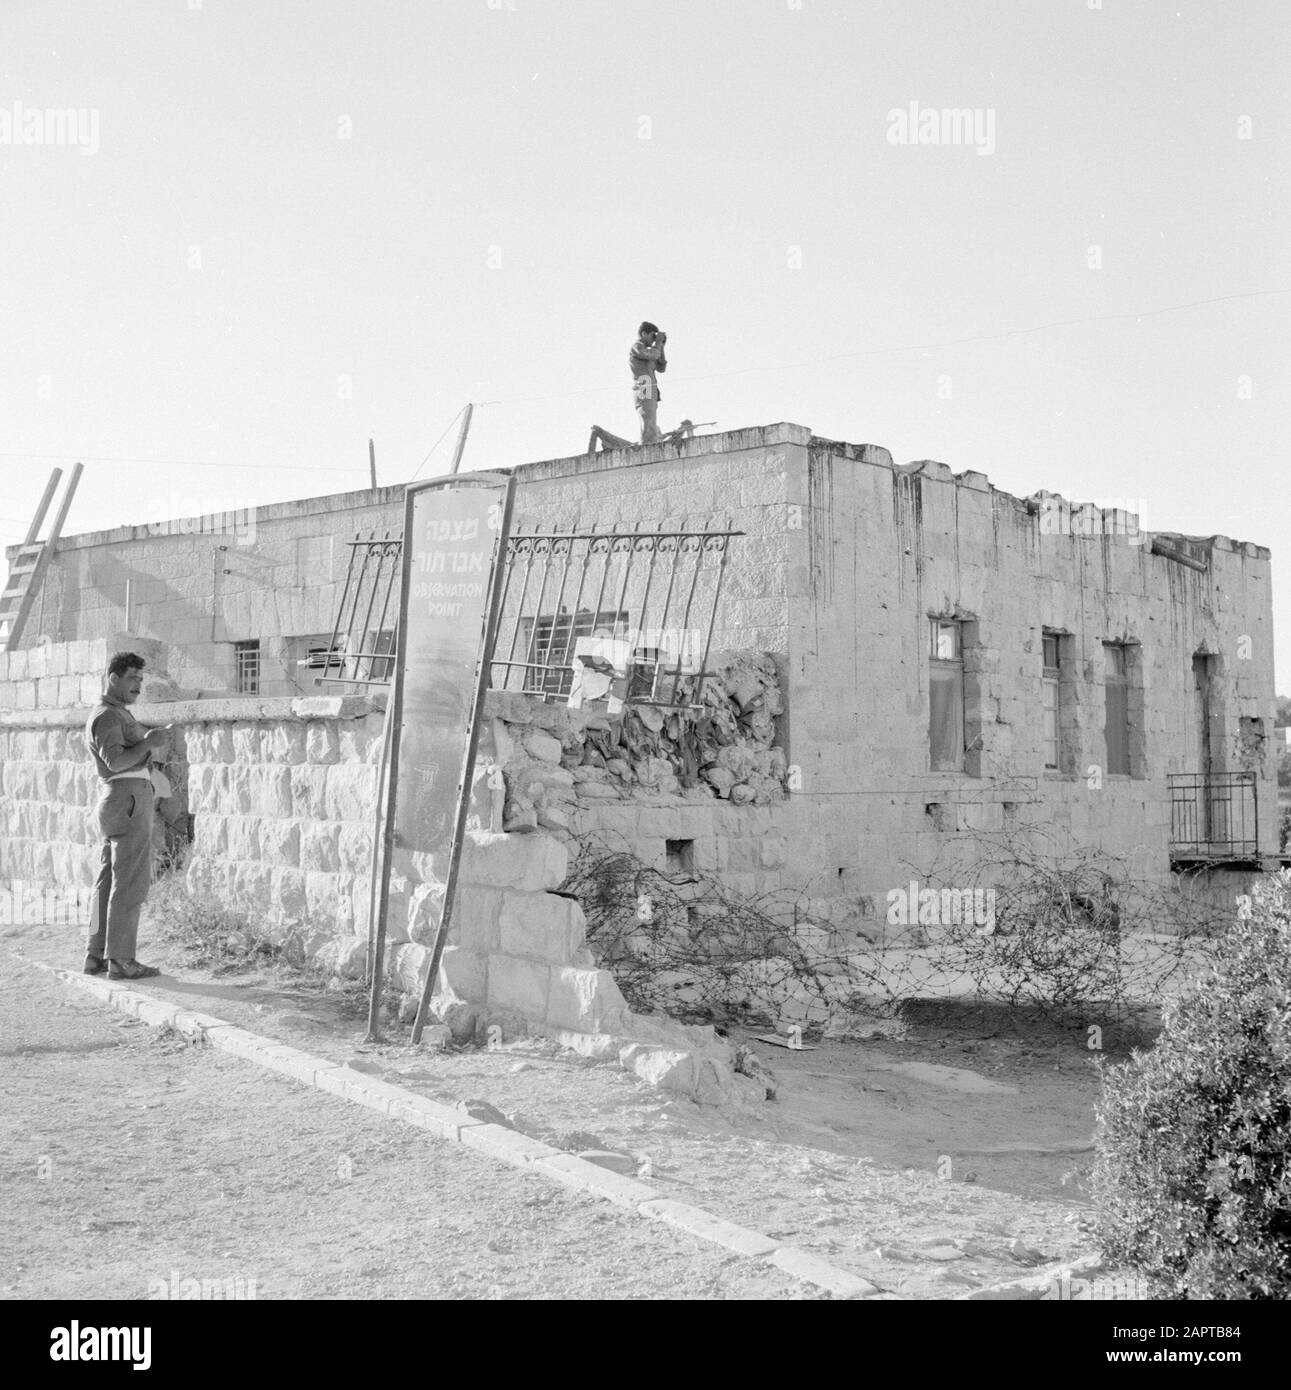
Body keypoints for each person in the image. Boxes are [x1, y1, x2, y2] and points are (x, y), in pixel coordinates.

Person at [83, 652, 172, 979]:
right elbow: (116, 762)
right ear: (113, 677)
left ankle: (95, 955)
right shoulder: (107, 715)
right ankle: (121, 959)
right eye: (133, 677)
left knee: (106, 883)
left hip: (120, 800)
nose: (138, 684)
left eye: (141, 678)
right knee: (130, 882)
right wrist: (150, 742)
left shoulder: (114, 713)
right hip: (127, 800)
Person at [629, 321, 667, 444]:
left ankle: (650, 446)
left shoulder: (650, 350)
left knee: (651, 425)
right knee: (648, 426)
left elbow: (661, 367)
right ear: (644, 333)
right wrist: (658, 344)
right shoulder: (637, 346)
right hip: (644, 387)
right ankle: (647, 450)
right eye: (652, 336)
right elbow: (653, 355)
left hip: (651, 389)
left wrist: (661, 346)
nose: (653, 340)